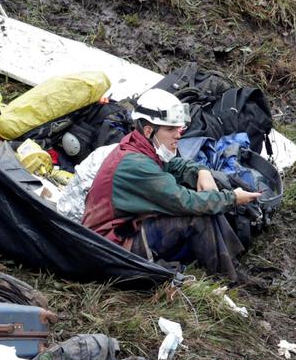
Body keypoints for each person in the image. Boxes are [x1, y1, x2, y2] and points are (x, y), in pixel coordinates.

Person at [81, 89, 261, 280]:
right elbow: (185, 201)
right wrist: (232, 198)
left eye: (178, 128)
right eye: (170, 129)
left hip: (124, 231)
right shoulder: (136, 165)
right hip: (110, 250)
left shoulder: (140, 146)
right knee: (197, 215)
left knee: (204, 204)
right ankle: (229, 279)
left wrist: (201, 171)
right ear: (148, 130)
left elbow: (174, 165)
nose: (178, 135)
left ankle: (230, 266)